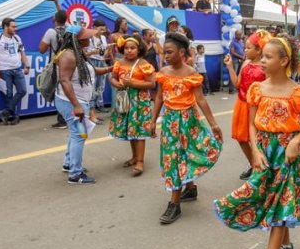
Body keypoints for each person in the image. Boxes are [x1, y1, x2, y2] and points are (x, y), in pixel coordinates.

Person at [213, 35, 300, 249]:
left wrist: (295, 142)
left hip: (288, 156)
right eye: (263, 56)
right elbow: (251, 123)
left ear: (284, 61)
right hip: (264, 154)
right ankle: (286, 247)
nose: (262, 61)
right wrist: (255, 152)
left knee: (280, 206)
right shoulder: (257, 89)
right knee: (269, 199)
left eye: (268, 57)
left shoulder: (299, 92)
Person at [152, 32, 223, 224]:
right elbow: (159, 97)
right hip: (169, 122)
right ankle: (189, 188)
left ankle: (175, 204)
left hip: (189, 120)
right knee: (173, 158)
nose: (166, 56)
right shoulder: (164, 72)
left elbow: (200, 100)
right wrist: (152, 121)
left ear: (181, 52)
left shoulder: (192, 73)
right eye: (165, 52)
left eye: (169, 52)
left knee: (183, 155)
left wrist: (213, 124)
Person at [109, 34, 156, 176]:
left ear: (139, 49)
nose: (129, 50)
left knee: (139, 131)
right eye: (126, 48)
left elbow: (152, 83)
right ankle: (135, 157)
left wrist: (133, 83)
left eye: (132, 48)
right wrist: (115, 83)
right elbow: (113, 77)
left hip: (140, 102)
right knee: (130, 129)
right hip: (124, 101)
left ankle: (140, 162)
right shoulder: (119, 63)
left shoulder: (144, 65)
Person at [55, 26, 97, 184]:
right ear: (77, 40)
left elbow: (92, 71)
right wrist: (76, 106)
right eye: (86, 37)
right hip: (72, 103)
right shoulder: (68, 56)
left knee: (75, 134)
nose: (89, 39)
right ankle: (75, 174)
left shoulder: (78, 53)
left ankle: (69, 163)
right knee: (80, 135)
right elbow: (64, 80)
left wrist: (110, 69)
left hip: (78, 101)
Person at [224, 30, 269, 179]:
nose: (245, 50)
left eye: (248, 48)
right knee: (241, 139)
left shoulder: (265, 66)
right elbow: (237, 84)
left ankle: (262, 167)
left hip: (259, 108)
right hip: (242, 104)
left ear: (258, 50)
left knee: (258, 140)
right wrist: (230, 66)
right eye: (245, 47)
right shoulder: (246, 63)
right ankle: (254, 165)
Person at [0, 18, 30, 125]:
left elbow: (22, 53)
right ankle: (14, 116)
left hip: (17, 69)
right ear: (5, 27)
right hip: (4, 70)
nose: (15, 28)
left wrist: (27, 65)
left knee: (22, 90)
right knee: (8, 94)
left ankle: (5, 112)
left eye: (15, 26)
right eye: (13, 26)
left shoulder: (17, 38)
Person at [39, 10, 70, 129]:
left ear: (54, 20)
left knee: (57, 91)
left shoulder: (51, 32)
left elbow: (41, 49)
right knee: (67, 90)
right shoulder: (70, 29)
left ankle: (62, 120)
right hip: (70, 64)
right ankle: (68, 117)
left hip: (57, 65)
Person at [85, 19, 109, 118]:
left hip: (101, 62)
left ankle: (96, 106)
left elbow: (105, 49)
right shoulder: (89, 37)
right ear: (94, 28)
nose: (102, 32)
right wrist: (93, 52)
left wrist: (105, 53)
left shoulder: (103, 37)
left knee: (100, 86)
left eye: (104, 30)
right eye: (100, 29)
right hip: (92, 61)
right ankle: (91, 111)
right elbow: (85, 54)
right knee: (92, 86)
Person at [228, 29, 246, 94]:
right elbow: (232, 52)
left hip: (241, 60)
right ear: (235, 35)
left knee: (240, 74)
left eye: (240, 34)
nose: (240, 36)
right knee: (233, 73)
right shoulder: (232, 42)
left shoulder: (241, 41)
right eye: (238, 35)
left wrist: (244, 56)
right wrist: (241, 57)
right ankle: (231, 89)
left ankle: (238, 87)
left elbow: (244, 49)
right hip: (235, 60)